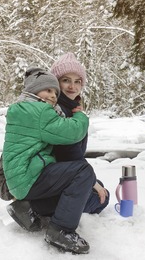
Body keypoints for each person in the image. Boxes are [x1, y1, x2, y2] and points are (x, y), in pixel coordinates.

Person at [3, 67, 97, 254]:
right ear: (32, 91)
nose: (53, 96)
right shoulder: (39, 112)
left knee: (81, 187)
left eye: (55, 92)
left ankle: (29, 208)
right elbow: (71, 133)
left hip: (23, 177)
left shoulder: (22, 109)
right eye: (48, 90)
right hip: (29, 176)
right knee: (83, 172)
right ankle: (61, 230)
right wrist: (80, 116)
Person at [50, 52, 109, 214]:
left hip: (61, 175)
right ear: (56, 83)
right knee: (101, 197)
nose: (72, 87)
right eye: (66, 80)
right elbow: (66, 153)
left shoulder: (69, 108)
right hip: (55, 176)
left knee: (98, 187)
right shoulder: (59, 111)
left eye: (77, 81)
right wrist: (90, 181)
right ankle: (44, 209)